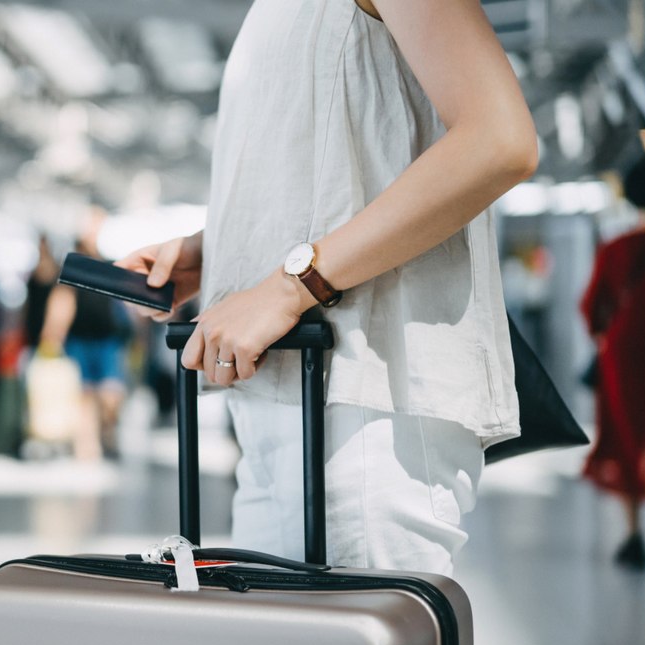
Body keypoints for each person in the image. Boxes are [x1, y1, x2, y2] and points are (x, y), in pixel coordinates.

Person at [117, 0, 537, 575]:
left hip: (361, 407)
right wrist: (213, 249)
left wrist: (290, 285)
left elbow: (499, 139)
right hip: (284, 404)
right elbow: (336, 167)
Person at [580, 154, 645, 570]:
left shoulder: (616, 247)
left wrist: (604, 336)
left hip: (624, 355)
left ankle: (633, 533)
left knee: (628, 436)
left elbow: (592, 306)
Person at [41, 233, 130, 461]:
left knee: (111, 394)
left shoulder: (109, 265)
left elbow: (124, 303)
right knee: (85, 395)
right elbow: (63, 300)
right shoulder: (72, 268)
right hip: (79, 340)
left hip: (107, 339)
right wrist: (53, 334)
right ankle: (87, 446)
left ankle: (108, 433)